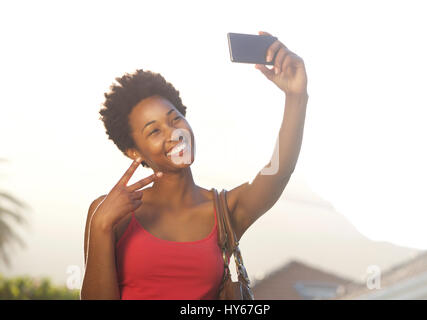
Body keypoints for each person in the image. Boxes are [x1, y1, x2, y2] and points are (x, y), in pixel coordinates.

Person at [80, 31, 309, 300]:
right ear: (134, 151)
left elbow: (279, 171)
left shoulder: (224, 211)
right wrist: (101, 226)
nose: (173, 133)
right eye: (154, 131)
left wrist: (296, 96)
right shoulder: (107, 213)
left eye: (174, 119)